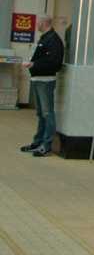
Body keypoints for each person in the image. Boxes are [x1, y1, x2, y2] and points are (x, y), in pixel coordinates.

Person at [20, 15, 64, 157]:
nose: (36, 25)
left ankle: (46, 145)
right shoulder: (45, 37)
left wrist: (34, 64)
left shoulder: (54, 40)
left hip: (46, 81)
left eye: (38, 23)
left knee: (47, 113)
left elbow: (54, 62)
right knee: (40, 114)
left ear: (45, 23)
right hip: (37, 79)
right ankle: (37, 142)